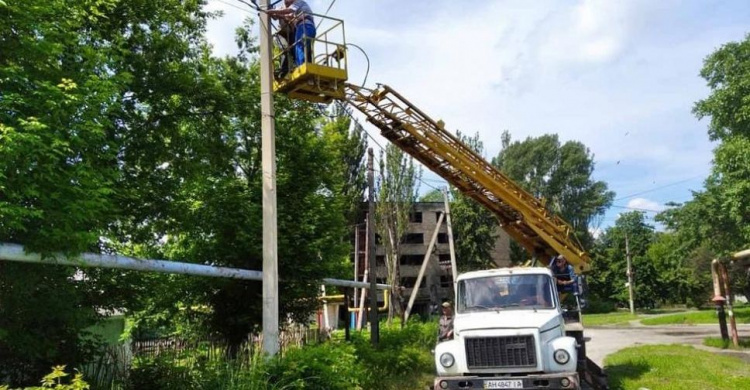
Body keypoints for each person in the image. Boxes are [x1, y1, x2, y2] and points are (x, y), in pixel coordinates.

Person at [268, 0, 316, 68]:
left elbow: (289, 11)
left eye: (288, 2)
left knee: (301, 45)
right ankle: (299, 65)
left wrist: (272, 11)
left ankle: (302, 65)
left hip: (304, 25)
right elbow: (286, 16)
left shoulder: (298, 3)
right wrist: (272, 12)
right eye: (286, 2)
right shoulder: (284, 7)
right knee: (298, 47)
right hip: (295, 29)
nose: (287, 3)